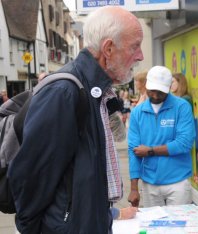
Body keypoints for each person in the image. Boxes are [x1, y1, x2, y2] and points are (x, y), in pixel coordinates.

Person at [8, 6, 143, 234]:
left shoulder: (94, 90)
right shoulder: (65, 92)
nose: (140, 55)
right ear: (108, 48)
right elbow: (31, 177)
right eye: (135, 46)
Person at [127, 65, 195, 208]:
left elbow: (184, 143)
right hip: (150, 182)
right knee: (153, 228)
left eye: (161, 92)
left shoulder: (182, 107)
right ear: (146, 85)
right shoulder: (137, 112)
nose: (156, 96)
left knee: (178, 228)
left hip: (178, 181)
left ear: (169, 87)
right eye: (152, 91)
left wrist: (151, 150)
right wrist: (134, 188)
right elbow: (134, 151)